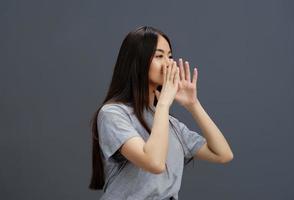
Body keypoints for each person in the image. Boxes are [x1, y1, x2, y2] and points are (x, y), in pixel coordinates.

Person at [89, 26, 234, 200]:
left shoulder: (169, 123)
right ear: (137, 61)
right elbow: (154, 163)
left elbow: (223, 154)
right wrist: (164, 103)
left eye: (170, 56)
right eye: (159, 56)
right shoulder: (113, 114)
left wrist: (193, 104)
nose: (169, 63)